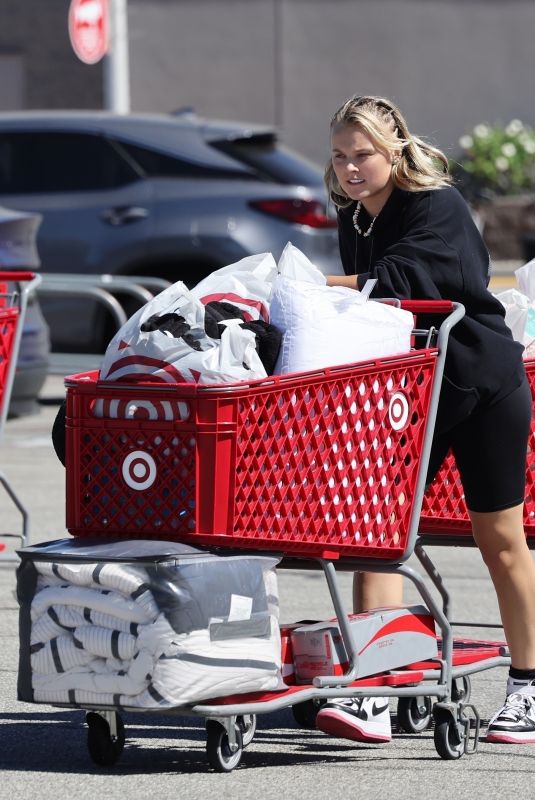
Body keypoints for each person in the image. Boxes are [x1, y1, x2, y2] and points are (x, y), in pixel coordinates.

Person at [314, 95, 535, 746]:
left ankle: (527, 686)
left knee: (499, 542)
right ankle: (373, 692)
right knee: (376, 533)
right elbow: (368, 308)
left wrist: (310, 287)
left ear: (393, 151)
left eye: (363, 155)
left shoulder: (434, 205)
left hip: (483, 384)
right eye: (339, 157)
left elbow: (400, 282)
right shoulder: (352, 218)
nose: (351, 168)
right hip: (416, 391)